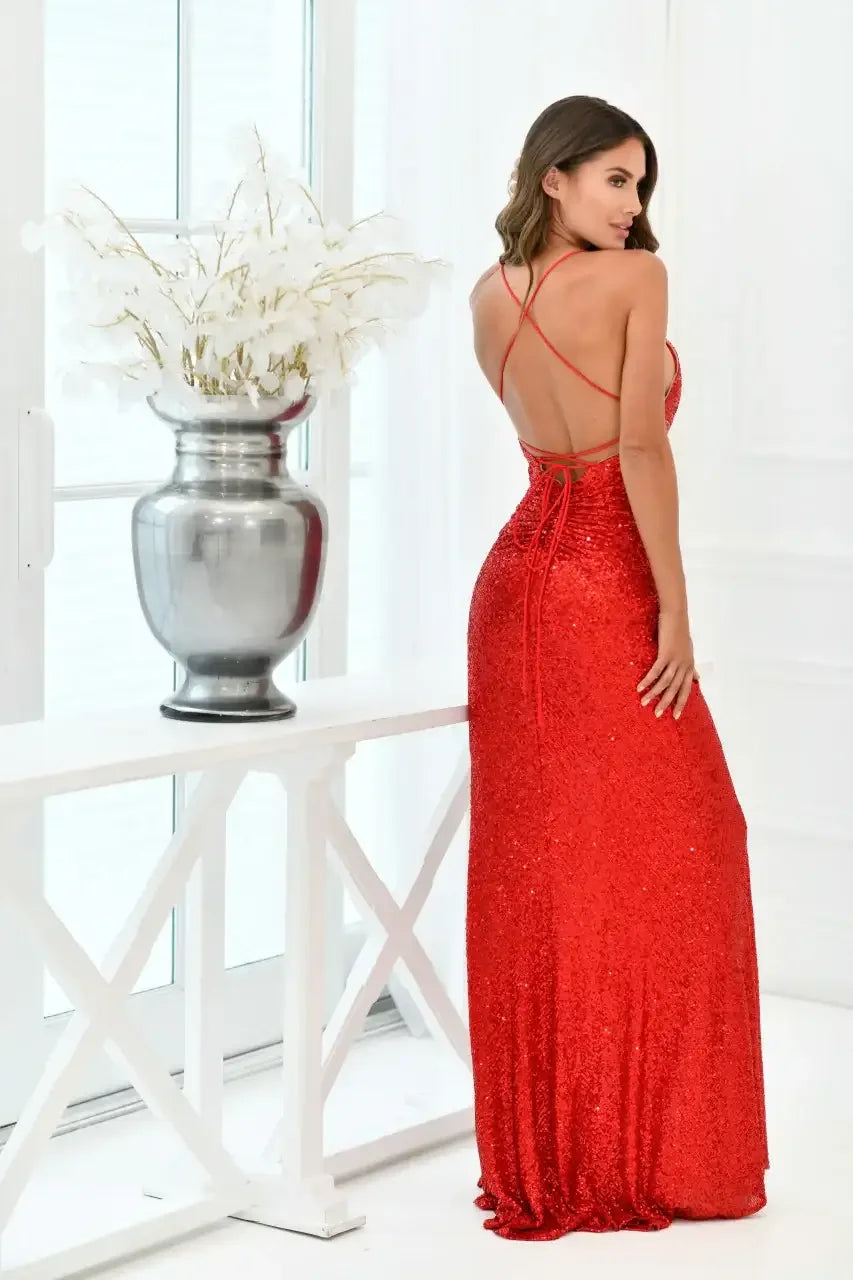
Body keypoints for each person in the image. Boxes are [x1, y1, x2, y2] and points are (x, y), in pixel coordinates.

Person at [465, 95, 769, 1241]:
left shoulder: (489, 296)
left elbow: (543, 437)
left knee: (545, 865)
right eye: (613, 181)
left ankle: (553, 1146)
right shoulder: (639, 282)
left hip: (511, 592)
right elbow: (637, 442)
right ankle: (654, 1150)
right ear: (552, 177)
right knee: (682, 842)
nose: (633, 210)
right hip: (602, 588)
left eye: (640, 188)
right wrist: (674, 608)